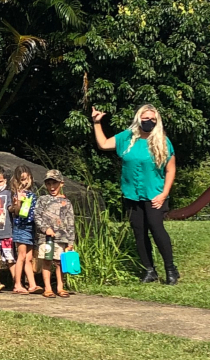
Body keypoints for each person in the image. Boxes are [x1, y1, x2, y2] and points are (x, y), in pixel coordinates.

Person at [92, 105, 178, 285]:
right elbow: (104, 144)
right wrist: (97, 122)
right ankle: (149, 270)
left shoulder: (163, 142)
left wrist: (164, 194)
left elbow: (170, 170)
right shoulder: (127, 137)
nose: (149, 122)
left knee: (156, 228)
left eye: (153, 120)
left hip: (154, 194)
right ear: (138, 118)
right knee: (139, 233)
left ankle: (170, 269)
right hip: (132, 194)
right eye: (145, 118)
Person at [34, 169, 75, 298]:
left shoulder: (66, 202)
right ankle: (47, 288)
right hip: (45, 238)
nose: (52, 187)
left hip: (61, 237)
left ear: (61, 184)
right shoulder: (42, 199)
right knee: (47, 261)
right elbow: (37, 216)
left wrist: (70, 241)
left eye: (55, 183)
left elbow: (70, 222)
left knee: (59, 262)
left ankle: (60, 287)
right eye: (49, 184)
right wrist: (45, 228)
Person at [8, 164, 40, 294]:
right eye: (22, 179)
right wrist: (19, 202)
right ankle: (17, 284)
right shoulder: (17, 195)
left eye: (28, 179)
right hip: (21, 227)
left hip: (30, 228)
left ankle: (32, 284)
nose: (26, 182)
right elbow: (15, 211)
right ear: (17, 180)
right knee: (21, 256)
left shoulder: (32, 194)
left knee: (29, 257)